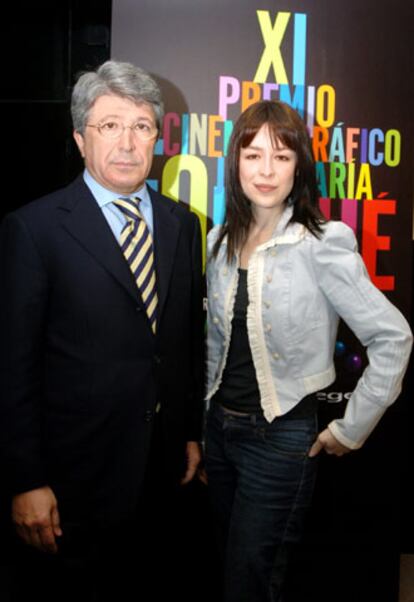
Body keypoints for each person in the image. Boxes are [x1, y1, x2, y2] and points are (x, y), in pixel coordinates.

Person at [0, 60, 203, 601]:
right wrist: (26, 479)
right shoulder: (34, 228)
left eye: (141, 126)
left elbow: (181, 339)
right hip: (72, 481)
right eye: (109, 125)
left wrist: (186, 432)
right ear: (78, 137)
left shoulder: (182, 224)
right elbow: (12, 365)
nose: (127, 142)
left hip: (160, 474)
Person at [204, 100, 412, 602]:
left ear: (300, 164)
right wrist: (203, 430)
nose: (266, 170)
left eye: (281, 155)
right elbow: (215, 348)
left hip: (280, 441)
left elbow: (393, 337)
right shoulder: (218, 240)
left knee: (250, 584)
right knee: (222, 571)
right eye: (253, 155)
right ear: (235, 163)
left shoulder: (322, 241)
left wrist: (351, 427)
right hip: (220, 435)